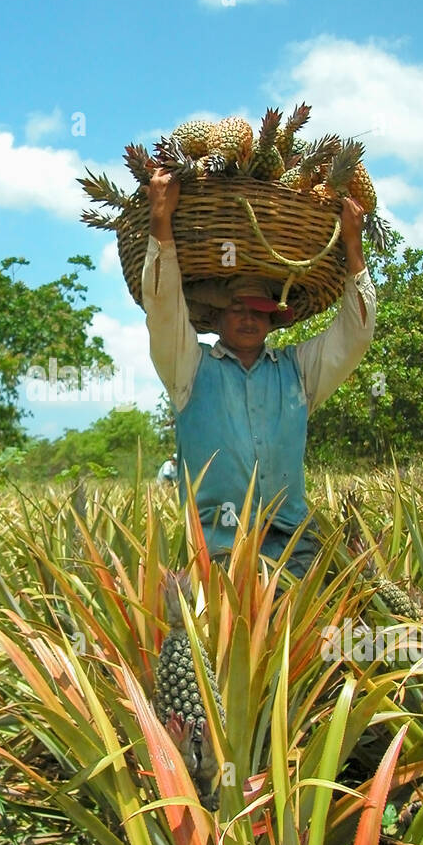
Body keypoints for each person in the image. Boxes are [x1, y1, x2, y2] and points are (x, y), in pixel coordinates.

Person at [142, 167, 376, 575]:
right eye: (238, 310)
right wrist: (161, 222)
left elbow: (355, 335)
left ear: (274, 321)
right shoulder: (188, 368)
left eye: (260, 312)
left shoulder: (298, 372)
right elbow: (163, 310)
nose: (249, 319)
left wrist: (354, 249)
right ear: (217, 318)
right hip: (216, 547)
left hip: (293, 545)